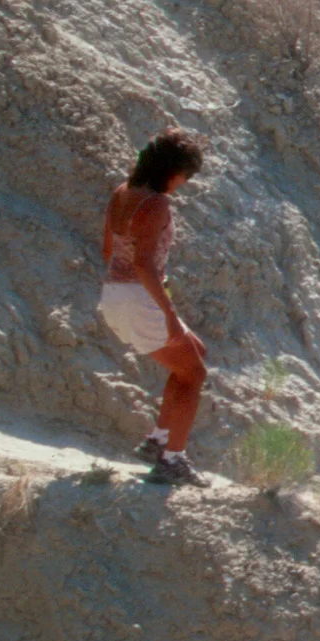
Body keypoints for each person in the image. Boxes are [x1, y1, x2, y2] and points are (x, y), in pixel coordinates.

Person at [97, 128, 208, 484]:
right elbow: (144, 263)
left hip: (115, 293)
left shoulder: (121, 193)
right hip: (139, 297)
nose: (184, 182)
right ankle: (171, 461)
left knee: (195, 355)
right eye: (185, 174)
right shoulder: (157, 204)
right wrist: (169, 314)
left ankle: (157, 441)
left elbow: (109, 251)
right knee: (195, 374)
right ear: (170, 170)